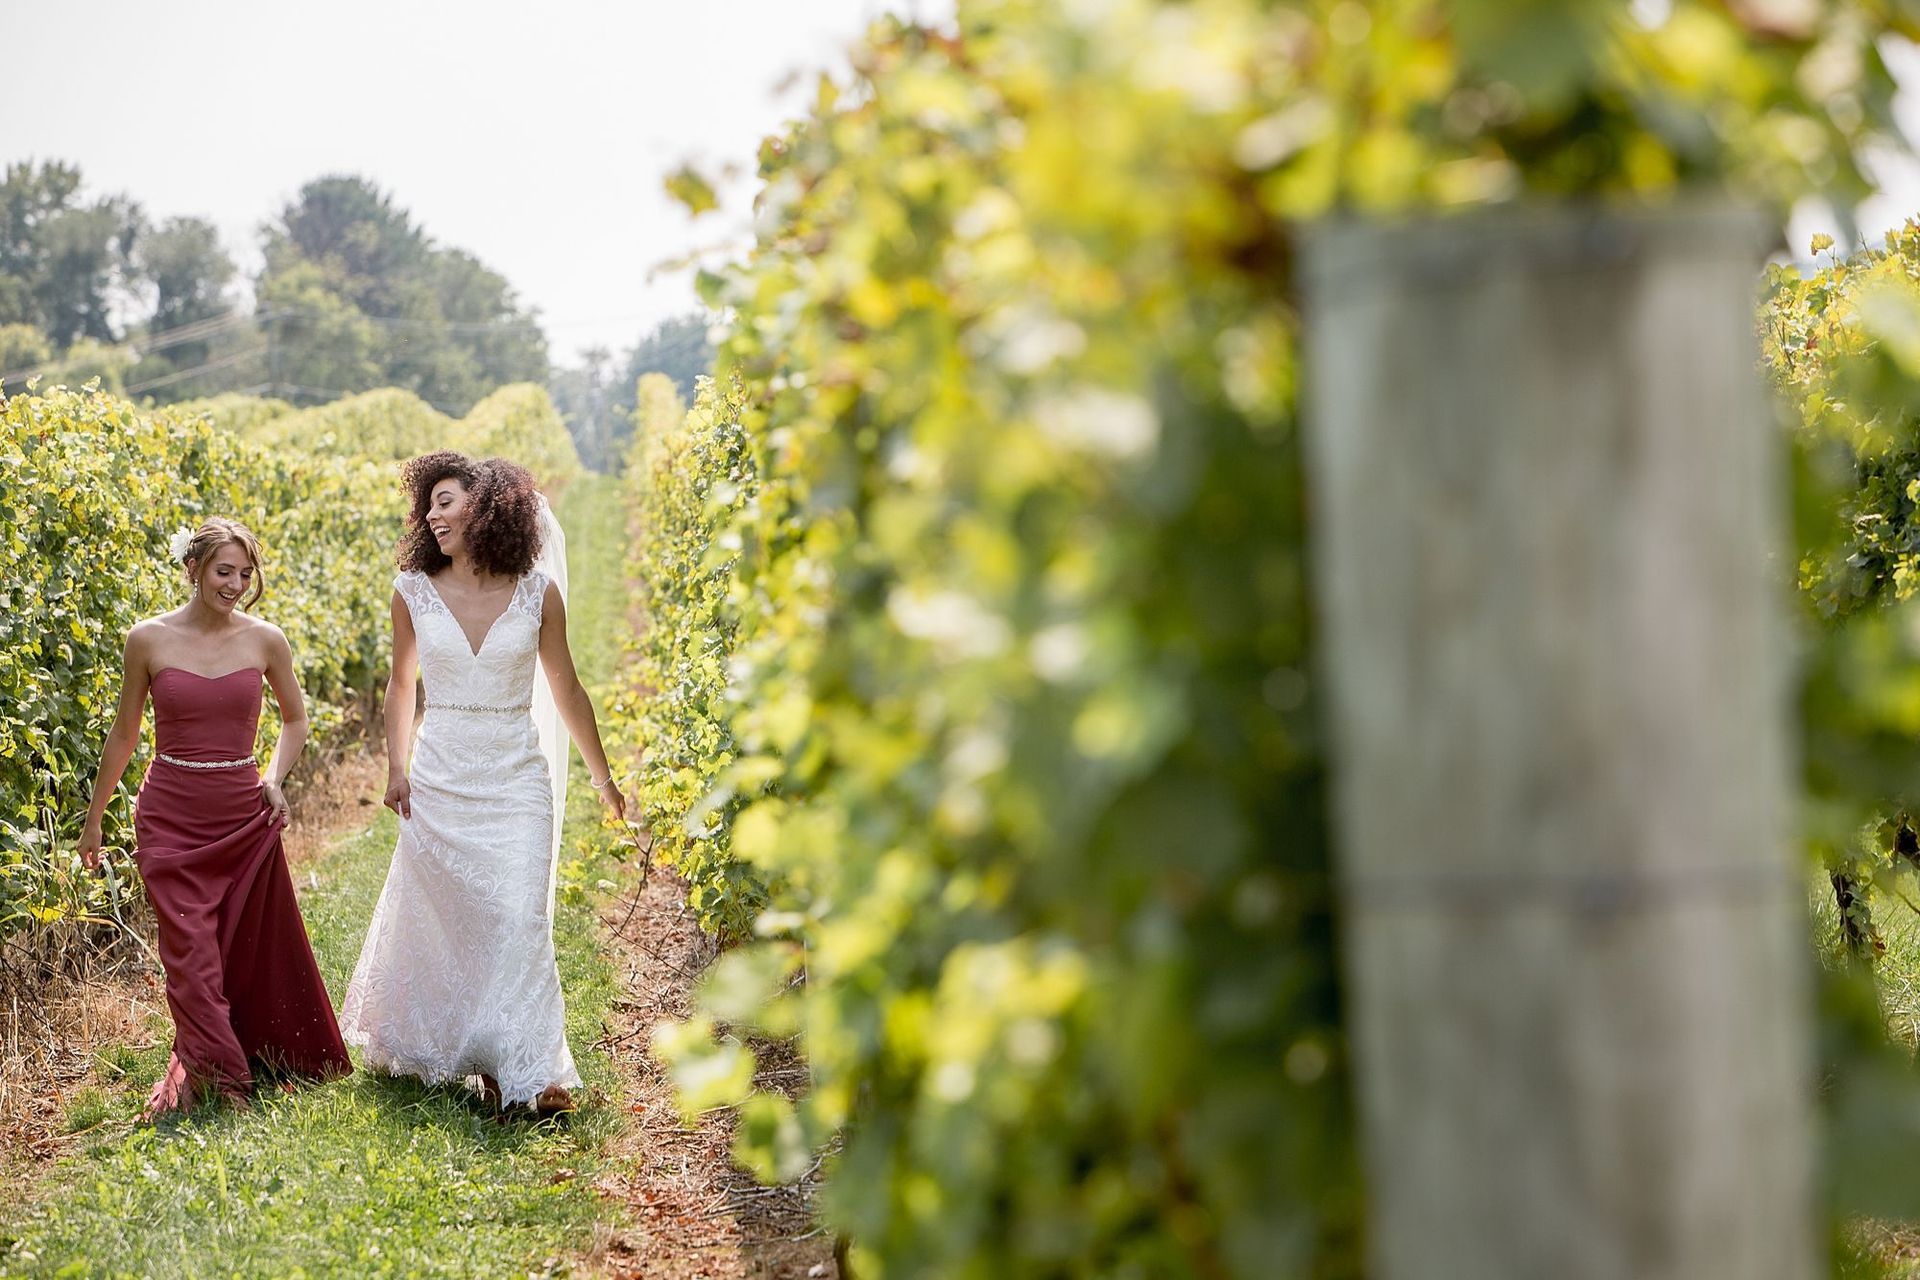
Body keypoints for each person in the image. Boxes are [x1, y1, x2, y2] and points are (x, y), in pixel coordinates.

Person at [340, 452, 627, 1115]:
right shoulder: (411, 590)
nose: (433, 515)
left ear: (489, 504)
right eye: (429, 505)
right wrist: (395, 767)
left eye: (446, 501)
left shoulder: (537, 593)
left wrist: (603, 779)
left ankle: (535, 1075)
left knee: (521, 918)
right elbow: (401, 684)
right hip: (441, 775)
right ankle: (490, 1057)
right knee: (466, 926)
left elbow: (568, 688)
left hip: (516, 778)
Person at [78, 517, 351, 1120]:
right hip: (170, 817)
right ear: (194, 569)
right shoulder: (146, 639)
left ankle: (246, 1054)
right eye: (223, 571)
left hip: (240, 817)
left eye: (244, 574)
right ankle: (226, 1087)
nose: (234, 584)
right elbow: (125, 734)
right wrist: (95, 819)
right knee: (191, 953)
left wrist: (272, 779)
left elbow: (296, 720)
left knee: (239, 949)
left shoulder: (265, 640)